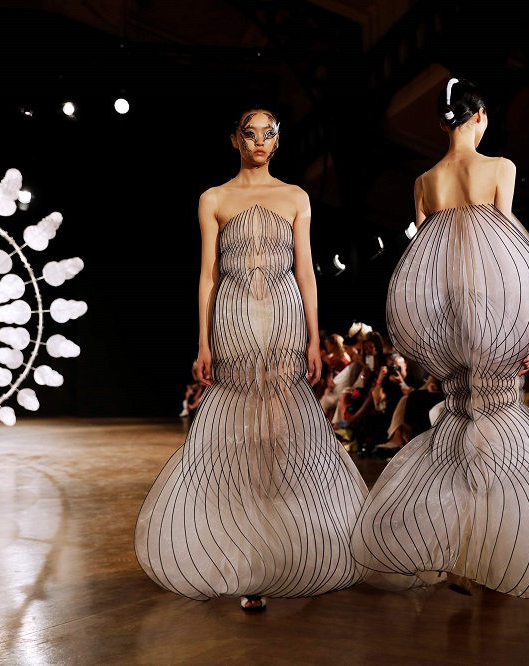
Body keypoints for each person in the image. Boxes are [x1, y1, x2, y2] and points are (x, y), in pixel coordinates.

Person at [350, 78, 529, 607]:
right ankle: (492, 555)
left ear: (441, 123)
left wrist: (429, 344)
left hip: (449, 325)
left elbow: (422, 272)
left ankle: (463, 553)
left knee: (462, 432)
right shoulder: (500, 168)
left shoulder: (426, 180)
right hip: (492, 319)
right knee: (498, 440)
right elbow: (512, 260)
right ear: (480, 117)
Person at [134, 107, 371, 611]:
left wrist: (313, 338)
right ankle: (249, 564)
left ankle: (286, 551)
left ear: (277, 141)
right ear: (235, 140)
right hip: (235, 325)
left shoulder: (296, 197)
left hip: (285, 324)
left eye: (268, 134)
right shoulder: (214, 198)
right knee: (242, 443)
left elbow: (306, 273)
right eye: (250, 133)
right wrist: (203, 342)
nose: (259, 141)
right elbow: (208, 276)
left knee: (283, 444)